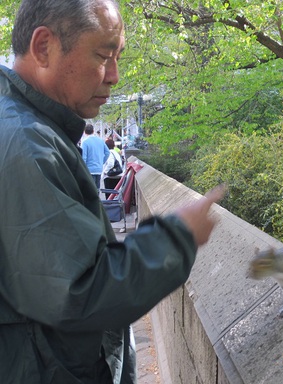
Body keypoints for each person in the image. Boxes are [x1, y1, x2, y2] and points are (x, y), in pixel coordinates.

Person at [0, 1, 225, 383]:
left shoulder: (29, 127)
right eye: (104, 56)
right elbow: (79, 293)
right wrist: (176, 237)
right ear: (43, 48)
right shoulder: (25, 144)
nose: (114, 76)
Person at [82, 123, 110, 189]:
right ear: (93, 131)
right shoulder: (100, 140)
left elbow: (84, 157)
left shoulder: (85, 142)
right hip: (99, 168)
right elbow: (107, 152)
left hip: (89, 169)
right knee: (97, 189)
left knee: (90, 190)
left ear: (84, 132)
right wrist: (102, 161)